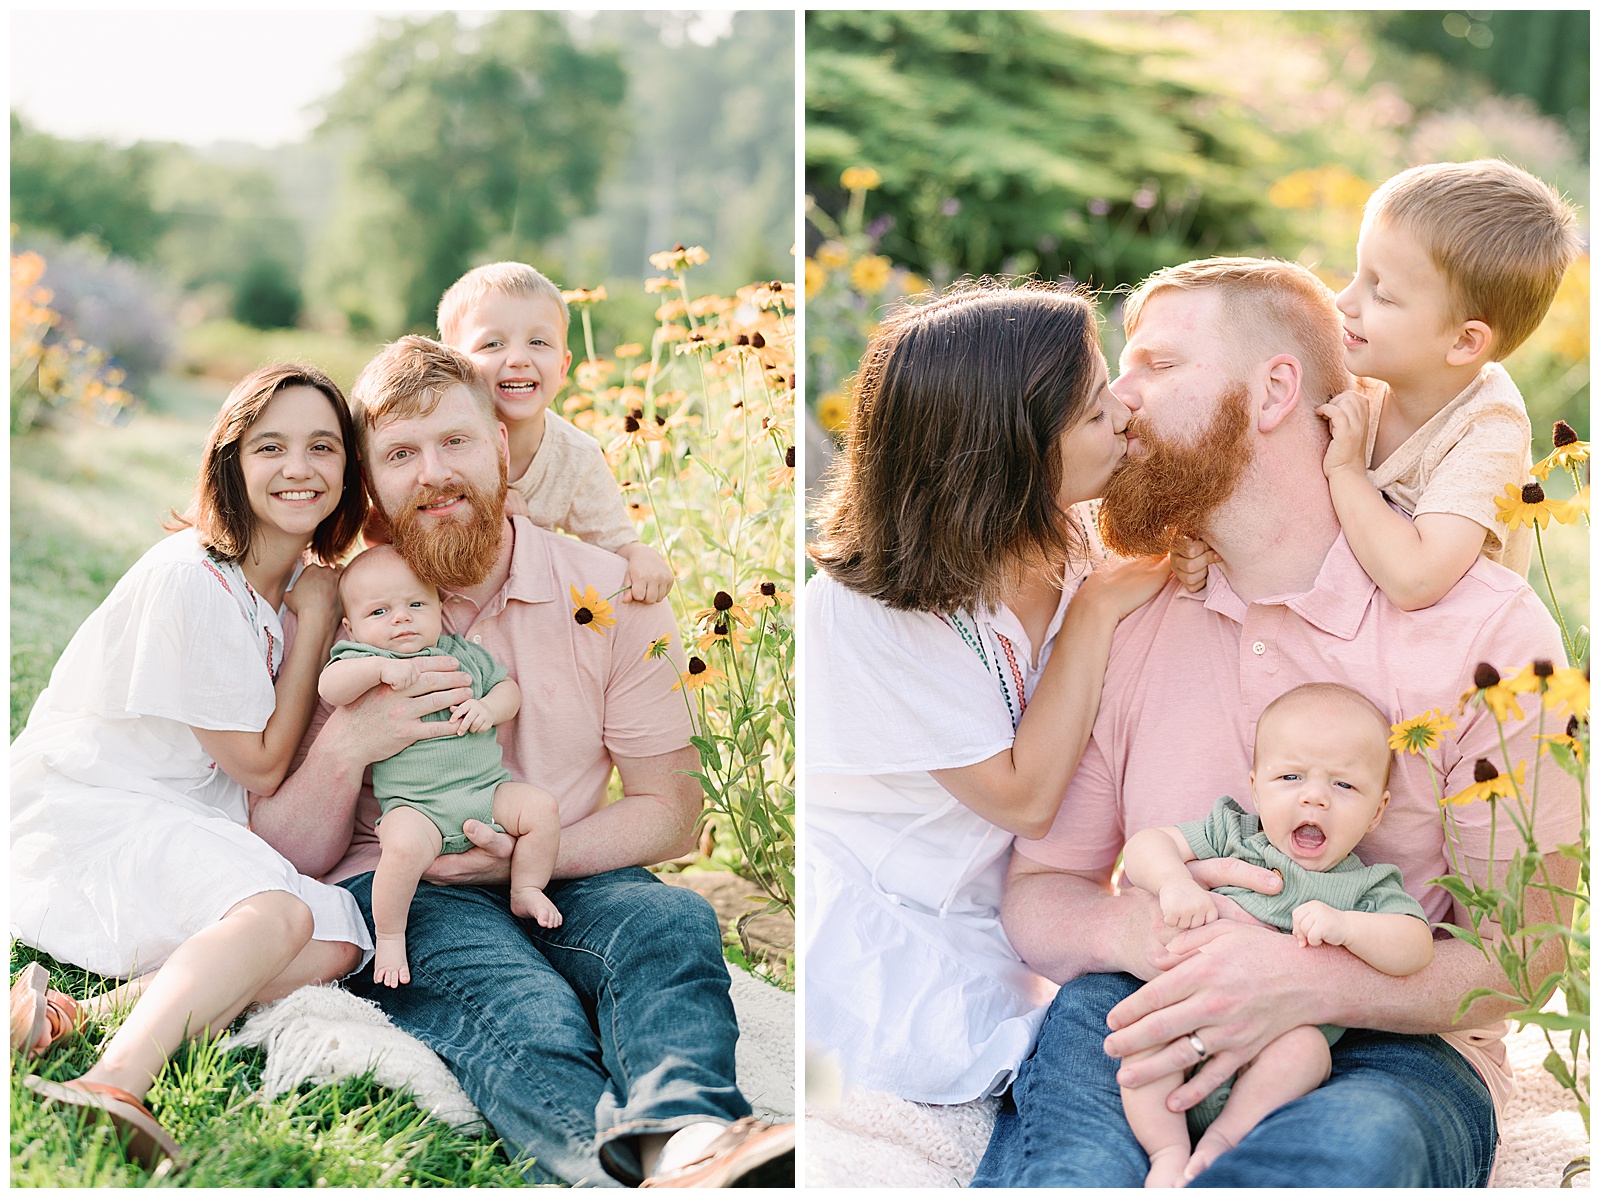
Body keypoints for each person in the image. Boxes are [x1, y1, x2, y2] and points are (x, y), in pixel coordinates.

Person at [972, 257, 1579, 1188]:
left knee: (1346, 1157)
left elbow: (1524, 958)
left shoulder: (1490, 635)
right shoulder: (1123, 612)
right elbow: (1045, 887)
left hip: (1393, 1044)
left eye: (1157, 366)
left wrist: (1308, 981)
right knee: (1075, 1172)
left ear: (1274, 391)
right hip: (1152, 999)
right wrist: (1151, 943)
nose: (1118, 401)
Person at [247, 336, 793, 1188]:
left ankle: (691, 1135)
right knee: (522, 1004)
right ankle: (607, 1170)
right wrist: (352, 741)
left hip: (561, 856)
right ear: (371, 483)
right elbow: (280, 845)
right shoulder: (335, 609)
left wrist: (525, 861)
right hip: (405, 878)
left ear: (501, 446)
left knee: (670, 926)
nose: (434, 473)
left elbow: (672, 808)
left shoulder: (611, 593)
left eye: (456, 441)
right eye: (399, 454)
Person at [804, 282, 1171, 1104]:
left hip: (1008, 899)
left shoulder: (1067, 536)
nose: (1123, 415)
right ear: (1008, 455)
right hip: (890, 900)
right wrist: (1099, 608)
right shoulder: (871, 610)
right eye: (1091, 412)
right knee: (986, 1059)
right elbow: (1024, 799)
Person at [9, 365, 375, 1169]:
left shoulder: (281, 583)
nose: (299, 468)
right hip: (93, 809)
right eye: (270, 446)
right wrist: (316, 623)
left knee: (343, 936)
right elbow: (262, 768)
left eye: (323, 446)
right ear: (231, 461)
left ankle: (78, 1015)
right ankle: (113, 1082)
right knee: (279, 918)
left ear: (349, 468)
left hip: (180, 812)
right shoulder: (196, 578)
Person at [1173, 160, 1581, 610]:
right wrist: (1211, 544)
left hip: (1436, 660)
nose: (1344, 301)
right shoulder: (1363, 374)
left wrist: (1347, 473)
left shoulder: (1487, 433)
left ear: (1465, 341)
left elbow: (1416, 581)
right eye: (1356, 273)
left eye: (1381, 293)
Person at [1119, 683, 1433, 1187]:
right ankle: (1167, 1151)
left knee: (1308, 1051)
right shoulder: (1233, 834)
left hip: (1274, 1052)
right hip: (1188, 1024)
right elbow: (1146, 847)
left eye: (1345, 786)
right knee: (1140, 1043)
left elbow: (1415, 946)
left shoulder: (1365, 885)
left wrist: (1350, 927)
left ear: (1378, 810)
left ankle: (1223, 1140)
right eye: (1290, 777)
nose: (1314, 796)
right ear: (1257, 786)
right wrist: (1175, 880)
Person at [319, 545, 564, 988]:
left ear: (440, 609)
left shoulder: (461, 653)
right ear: (350, 627)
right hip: (417, 808)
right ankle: (391, 936)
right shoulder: (361, 660)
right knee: (400, 851)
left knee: (541, 809)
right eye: (380, 611)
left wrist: (489, 708)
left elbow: (507, 689)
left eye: (416, 604)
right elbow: (331, 687)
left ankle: (526, 888)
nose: (401, 618)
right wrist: (376, 671)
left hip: (485, 793)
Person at [430, 260, 676, 604]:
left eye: (538, 342)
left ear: (563, 368)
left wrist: (639, 555)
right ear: (454, 365)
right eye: (492, 345)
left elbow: (614, 544)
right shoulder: (432, 444)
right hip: (431, 613)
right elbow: (380, 531)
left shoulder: (576, 456)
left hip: (524, 611)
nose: (518, 358)